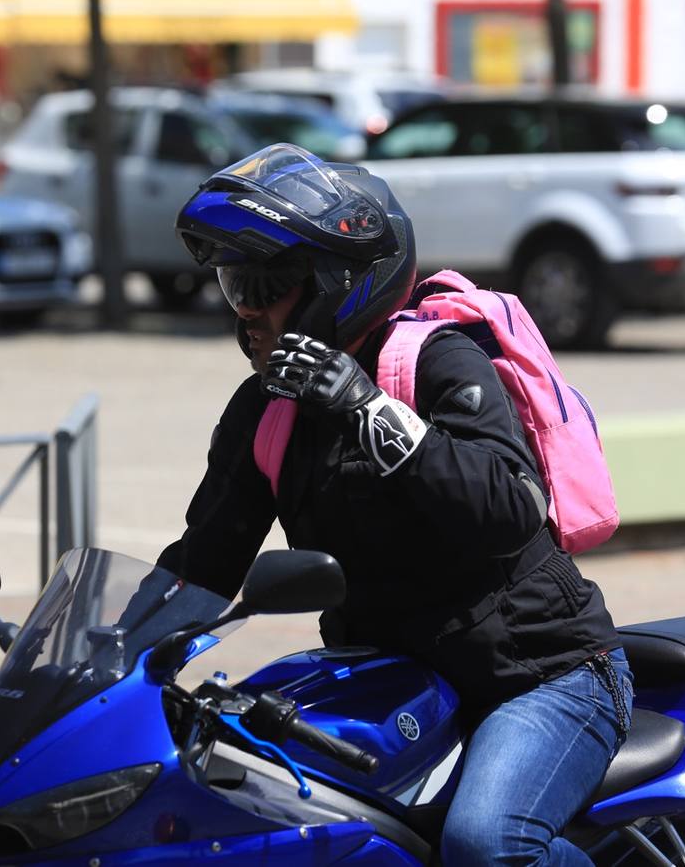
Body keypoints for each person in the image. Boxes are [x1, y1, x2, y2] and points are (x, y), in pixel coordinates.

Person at [160, 143, 632, 866]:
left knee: (485, 845)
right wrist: (99, 664)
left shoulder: (436, 362)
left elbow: (507, 507)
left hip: (541, 675)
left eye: (262, 284)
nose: (246, 311)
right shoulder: (267, 411)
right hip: (401, 688)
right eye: (233, 285)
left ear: (335, 282)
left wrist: (365, 408)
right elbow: (203, 565)